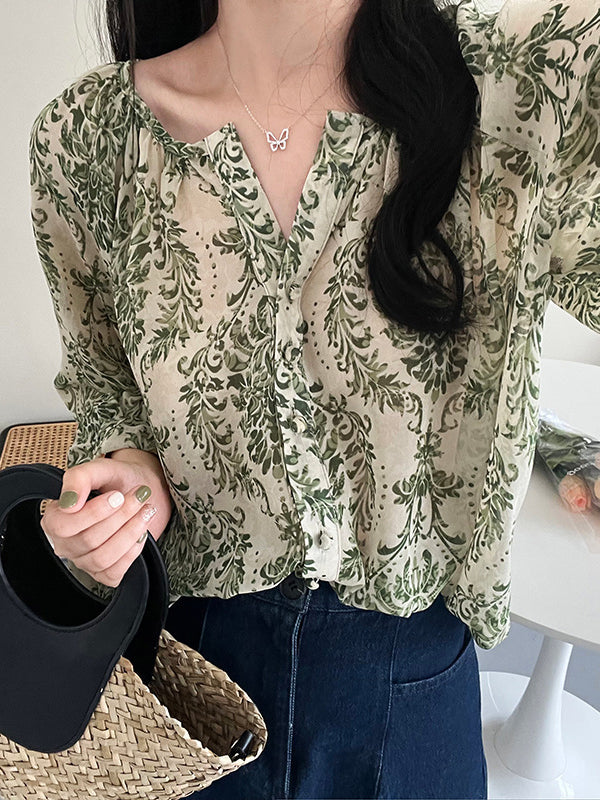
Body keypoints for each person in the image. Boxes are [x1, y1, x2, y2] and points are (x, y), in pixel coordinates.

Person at [30, 0, 600, 797]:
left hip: (409, 683)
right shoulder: (87, 137)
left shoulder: (515, 83)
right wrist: (130, 472)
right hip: (188, 679)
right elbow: (104, 379)